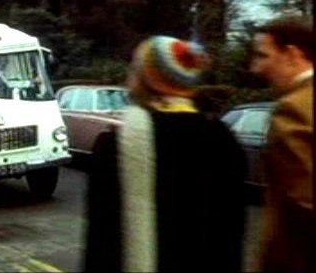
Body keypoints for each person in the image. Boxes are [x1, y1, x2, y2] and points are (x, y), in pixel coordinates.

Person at [84, 35, 246, 272]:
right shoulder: (223, 139)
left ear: (147, 78)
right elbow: (232, 234)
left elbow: (102, 240)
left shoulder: (116, 144)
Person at [249, 15, 314, 273]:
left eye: (263, 56)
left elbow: (304, 202)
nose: (256, 68)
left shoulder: (293, 108)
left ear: (292, 54)